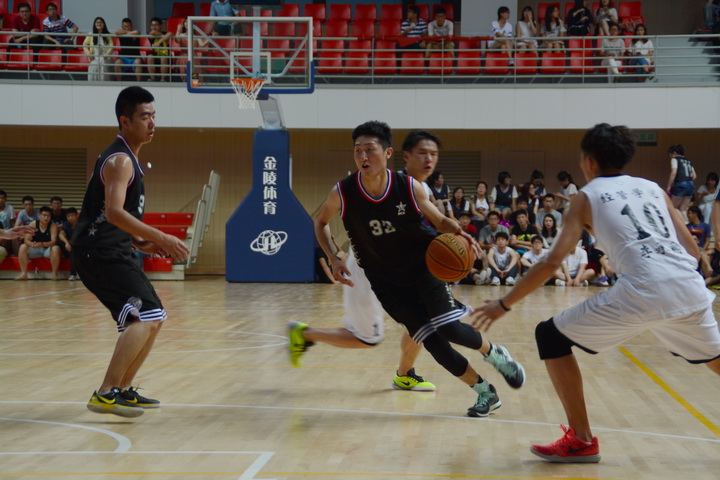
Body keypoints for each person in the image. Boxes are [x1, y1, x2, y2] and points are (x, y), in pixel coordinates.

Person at [472, 123, 720, 463]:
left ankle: (582, 440)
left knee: (550, 336)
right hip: (688, 287)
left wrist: (503, 304)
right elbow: (692, 250)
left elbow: (552, 261)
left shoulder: (586, 197)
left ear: (588, 161)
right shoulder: (654, 189)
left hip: (644, 290)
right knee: (715, 360)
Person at [305, 121, 526, 417]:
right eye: (358, 151)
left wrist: (461, 233)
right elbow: (320, 221)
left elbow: (439, 220)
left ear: (388, 153)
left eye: (370, 150)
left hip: (423, 270)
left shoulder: (408, 186)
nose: (363, 157)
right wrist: (333, 257)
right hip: (386, 283)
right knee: (433, 343)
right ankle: (485, 392)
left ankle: (495, 354)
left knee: (449, 328)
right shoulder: (343, 191)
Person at [290, 131, 449, 392]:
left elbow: (435, 226)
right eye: (422, 154)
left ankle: (404, 374)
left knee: (424, 320)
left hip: (402, 267)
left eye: (433, 155)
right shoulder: (353, 189)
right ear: (405, 156)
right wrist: (333, 257)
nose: (428, 160)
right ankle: (305, 334)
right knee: (368, 339)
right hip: (367, 269)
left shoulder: (416, 188)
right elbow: (320, 220)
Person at [72, 86, 190, 418]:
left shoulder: (128, 158)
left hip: (111, 249)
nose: (152, 123)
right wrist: (163, 237)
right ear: (125, 121)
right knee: (146, 315)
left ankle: (122, 388)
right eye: (144, 116)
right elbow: (113, 212)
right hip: (98, 252)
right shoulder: (120, 160)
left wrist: (139, 242)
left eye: (154, 116)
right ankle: (106, 393)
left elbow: (110, 215)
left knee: (155, 317)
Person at [17, 206, 61, 280]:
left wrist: (42, 244)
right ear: (39, 215)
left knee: (56, 248)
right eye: (44, 215)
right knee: (23, 247)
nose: (46, 218)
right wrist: (32, 244)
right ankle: (24, 274)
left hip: (47, 250)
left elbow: (54, 241)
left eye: (48, 216)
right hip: (35, 249)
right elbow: (26, 240)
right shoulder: (33, 224)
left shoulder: (53, 225)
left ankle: (54, 274)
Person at [666, 144, 696, 222]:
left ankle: (681, 227)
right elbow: (694, 176)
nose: (670, 157)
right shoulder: (688, 161)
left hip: (681, 185)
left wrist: (669, 186)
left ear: (674, 153)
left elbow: (673, 172)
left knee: (674, 208)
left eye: (670, 154)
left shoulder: (675, 159)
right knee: (683, 209)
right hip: (691, 185)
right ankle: (688, 226)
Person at [83, 17, 114, 82]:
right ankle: (93, 84)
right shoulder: (91, 34)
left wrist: (107, 55)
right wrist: (89, 54)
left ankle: (104, 83)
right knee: (93, 65)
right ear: (94, 24)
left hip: (106, 57)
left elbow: (111, 47)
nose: (99, 24)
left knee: (103, 64)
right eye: (97, 22)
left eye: (101, 22)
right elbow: (84, 44)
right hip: (95, 58)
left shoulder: (108, 35)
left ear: (104, 24)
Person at [114, 18, 143, 82]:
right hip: (124, 58)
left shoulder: (135, 33)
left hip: (135, 58)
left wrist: (126, 33)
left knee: (138, 62)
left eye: (128, 26)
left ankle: (139, 83)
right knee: (117, 62)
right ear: (122, 27)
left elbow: (137, 32)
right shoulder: (121, 34)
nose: (126, 28)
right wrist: (128, 32)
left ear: (131, 26)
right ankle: (119, 83)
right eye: (125, 26)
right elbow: (116, 32)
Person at [147, 17, 172, 82]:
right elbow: (153, 32)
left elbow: (170, 33)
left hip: (165, 56)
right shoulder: (151, 34)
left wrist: (159, 42)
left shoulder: (165, 33)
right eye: (152, 25)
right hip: (155, 56)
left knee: (163, 57)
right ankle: (152, 78)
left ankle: (163, 79)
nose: (154, 27)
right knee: (150, 57)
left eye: (156, 25)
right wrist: (165, 37)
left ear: (160, 26)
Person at [58, 206, 79, 280]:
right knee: (60, 241)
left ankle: (73, 274)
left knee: (73, 248)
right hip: (70, 247)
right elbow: (61, 234)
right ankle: (73, 274)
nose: (70, 218)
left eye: (72, 216)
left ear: (76, 215)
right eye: (68, 216)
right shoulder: (66, 224)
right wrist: (67, 242)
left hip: (80, 246)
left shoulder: (81, 223)